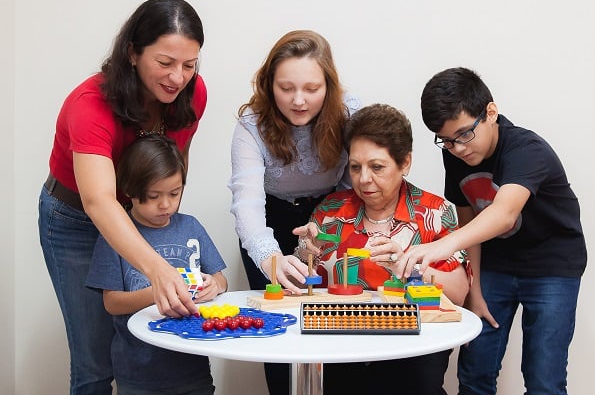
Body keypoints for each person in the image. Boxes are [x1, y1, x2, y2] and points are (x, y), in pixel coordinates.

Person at [38, 0, 207, 394]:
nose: (178, 77)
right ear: (132, 53)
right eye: (165, 63)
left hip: (138, 213)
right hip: (75, 219)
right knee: (95, 356)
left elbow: (175, 165)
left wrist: (166, 221)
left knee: (147, 341)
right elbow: (98, 200)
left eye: (189, 64)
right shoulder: (91, 104)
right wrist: (158, 269)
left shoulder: (192, 94)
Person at [402, 67, 587, 394]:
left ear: (490, 113)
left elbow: (503, 214)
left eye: (463, 135)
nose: (457, 148)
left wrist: (440, 248)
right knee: (474, 372)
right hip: (496, 263)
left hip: (552, 265)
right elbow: (468, 218)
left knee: (544, 378)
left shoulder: (527, 150)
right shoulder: (455, 154)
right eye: (445, 140)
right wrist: (475, 289)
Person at [295, 103, 471, 395]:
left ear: (405, 163)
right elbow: (304, 284)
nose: (364, 179)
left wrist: (410, 267)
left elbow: (459, 291)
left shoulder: (435, 212)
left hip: (413, 349)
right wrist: (305, 250)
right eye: (355, 167)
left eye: (377, 167)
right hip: (341, 348)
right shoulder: (331, 210)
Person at [228, 30, 359, 394]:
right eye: (286, 88)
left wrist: (330, 223)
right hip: (270, 223)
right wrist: (272, 259)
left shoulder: (350, 115)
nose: (299, 101)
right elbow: (247, 204)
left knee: (337, 320)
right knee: (277, 329)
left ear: (329, 86)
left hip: (332, 214)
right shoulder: (251, 126)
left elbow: (358, 183)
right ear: (269, 84)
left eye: (311, 89)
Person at [86, 135, 227, 395]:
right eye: (153, 196)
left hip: (192, 368)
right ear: (130, 190)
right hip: (139, 372)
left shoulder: (191, 226)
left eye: (174, 194)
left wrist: (214, 286)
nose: (165, 204)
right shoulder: (116, 236)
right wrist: (156, 293)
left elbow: (220, 279)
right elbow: (112, 303)